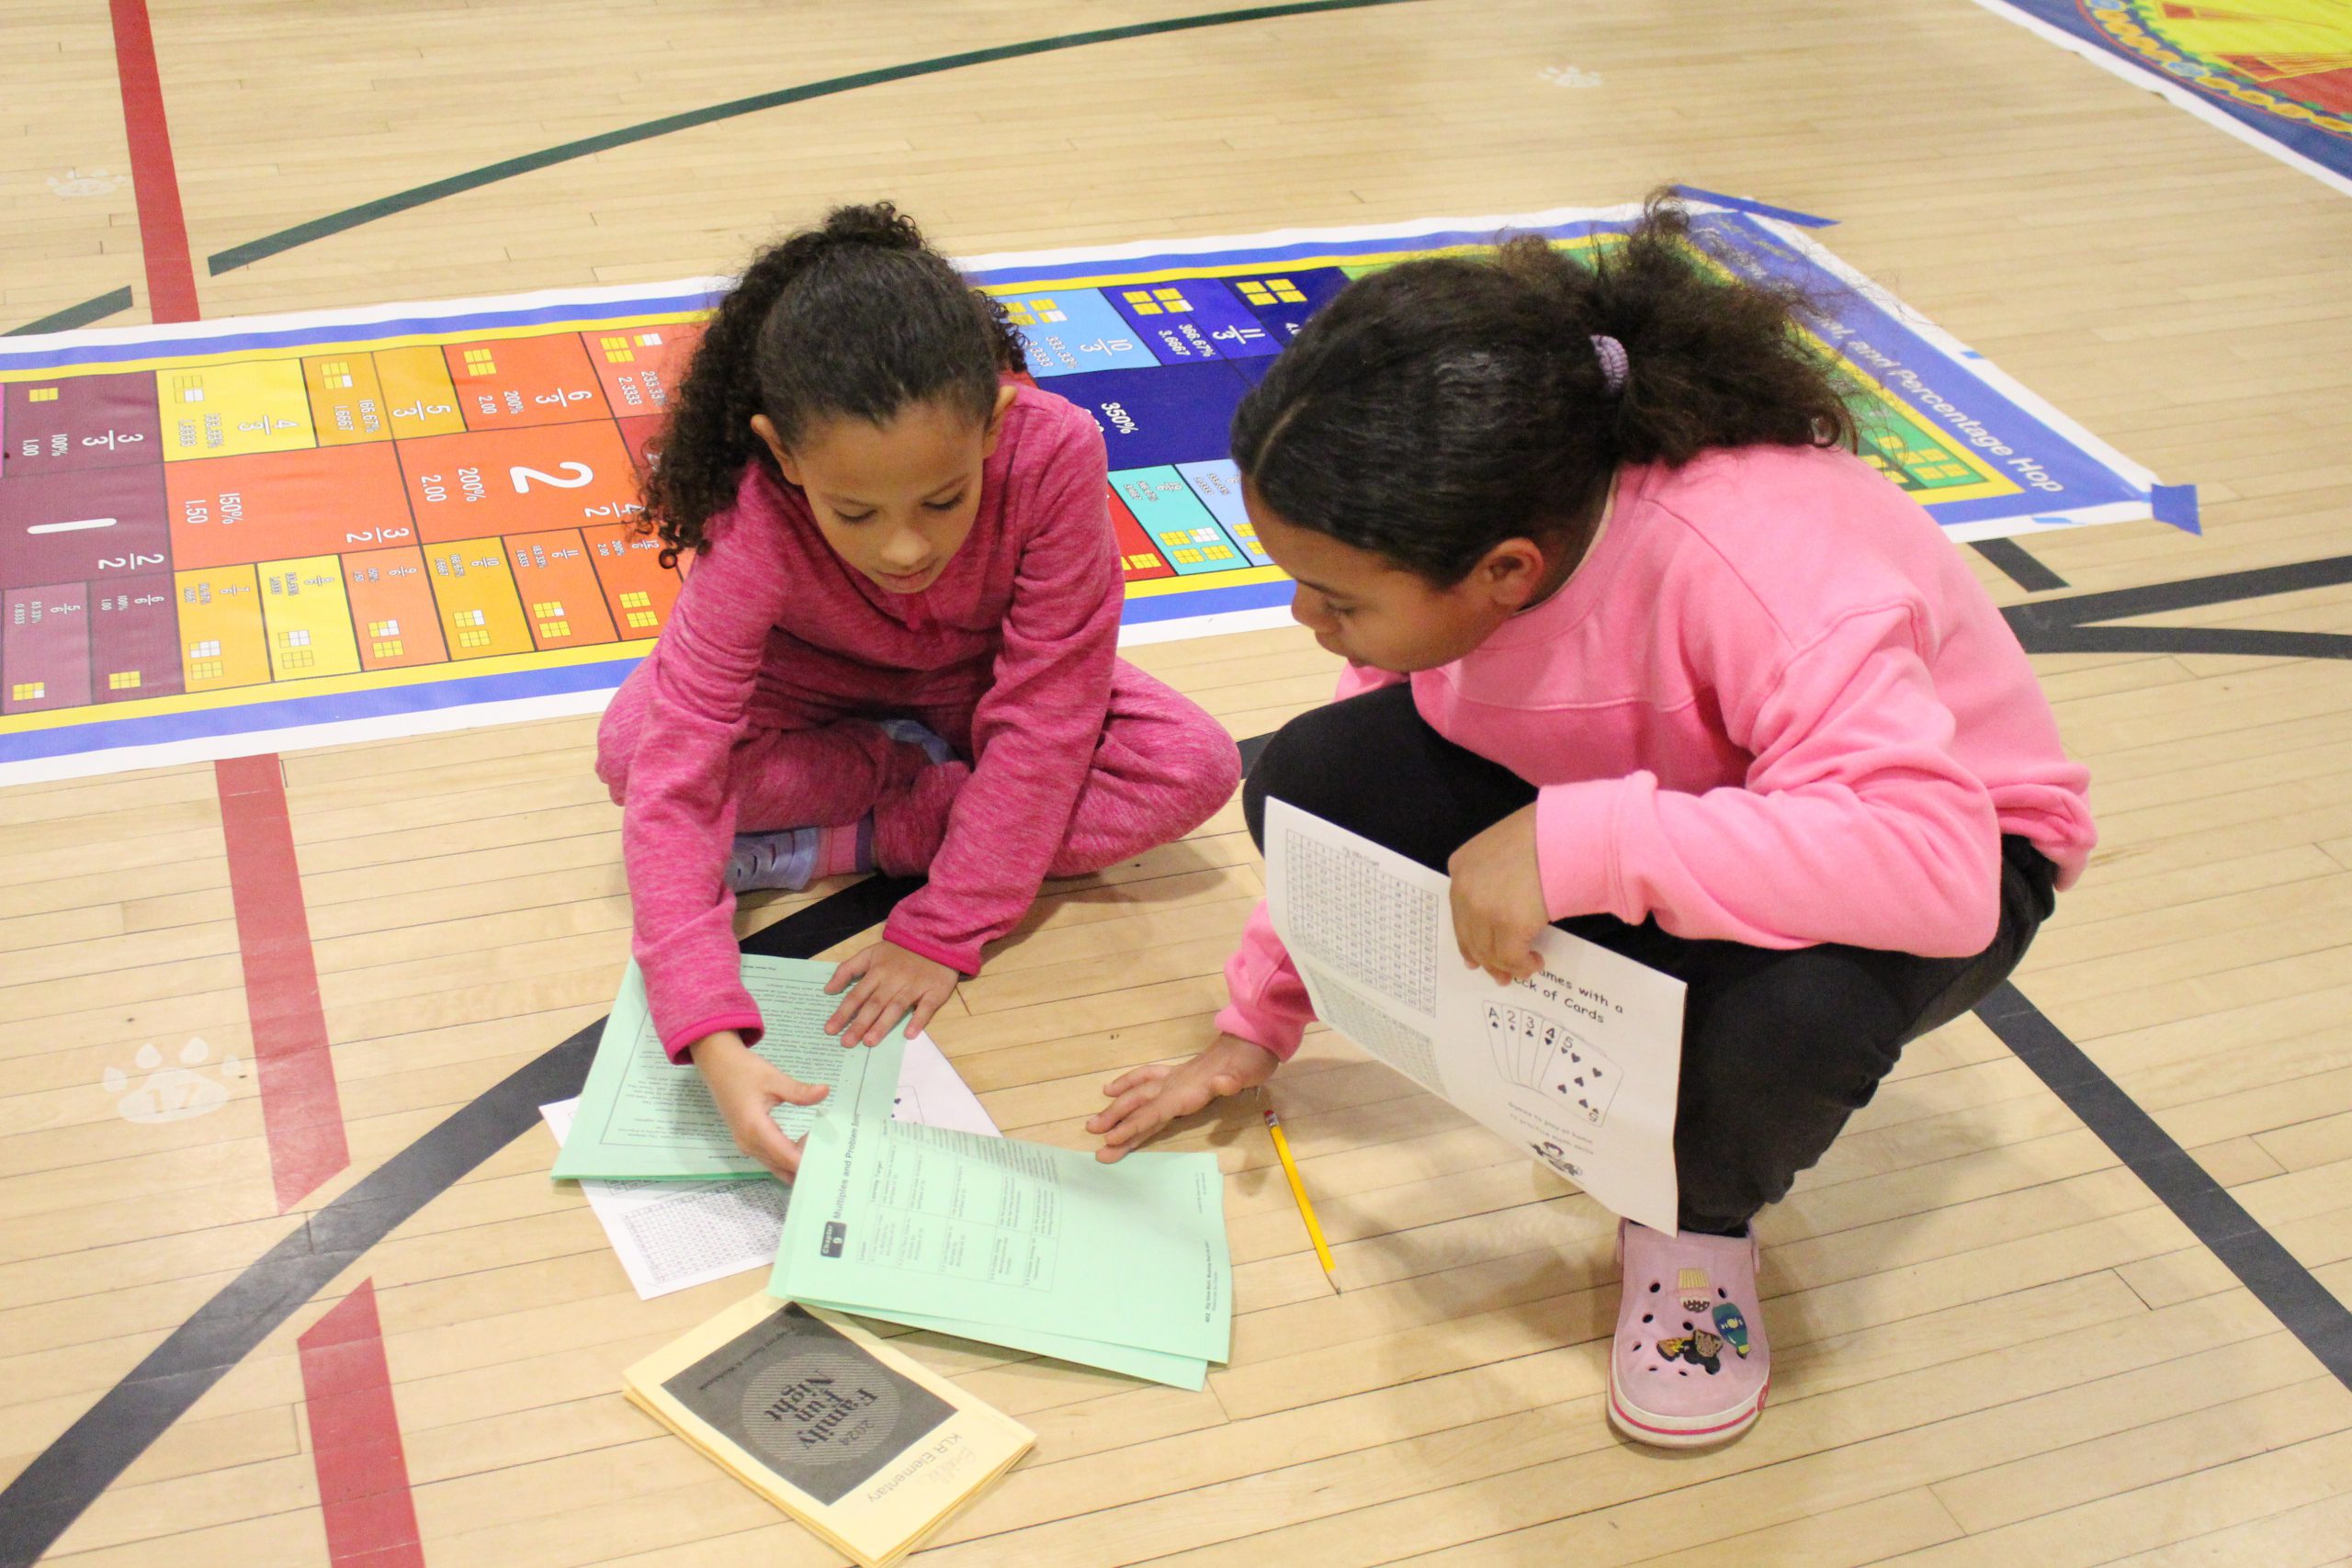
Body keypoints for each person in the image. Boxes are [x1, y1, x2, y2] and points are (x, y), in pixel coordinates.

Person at [1086, 197, 2094, 1449]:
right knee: (1311, 781)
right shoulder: (1497, 537)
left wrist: (1583, 844)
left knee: (1793, 1016)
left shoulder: (1762, 571)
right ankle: (1611, 1069)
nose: (1303, 616)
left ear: (1504, 568)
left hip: (1951, 851)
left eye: (1337, 595)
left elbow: (1933, 869)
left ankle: (1694, 1223)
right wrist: (1254, 1023)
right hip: (1688, 796)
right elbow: (1363, 765)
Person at [600, 202, 1239, 1180]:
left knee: (1191, 766)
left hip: (983, 688)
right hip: (806, 695)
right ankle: (895, 790)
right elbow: (680, 762)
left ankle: (877, 826)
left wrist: (943, 931)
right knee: (630, 754)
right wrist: (710, 1031)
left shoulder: (1054, 449)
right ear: (783, 454)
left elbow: (1045, 719)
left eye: (944, 499)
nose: (906, 547)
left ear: (990, 423)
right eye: (855, 512)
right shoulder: (757, 512)